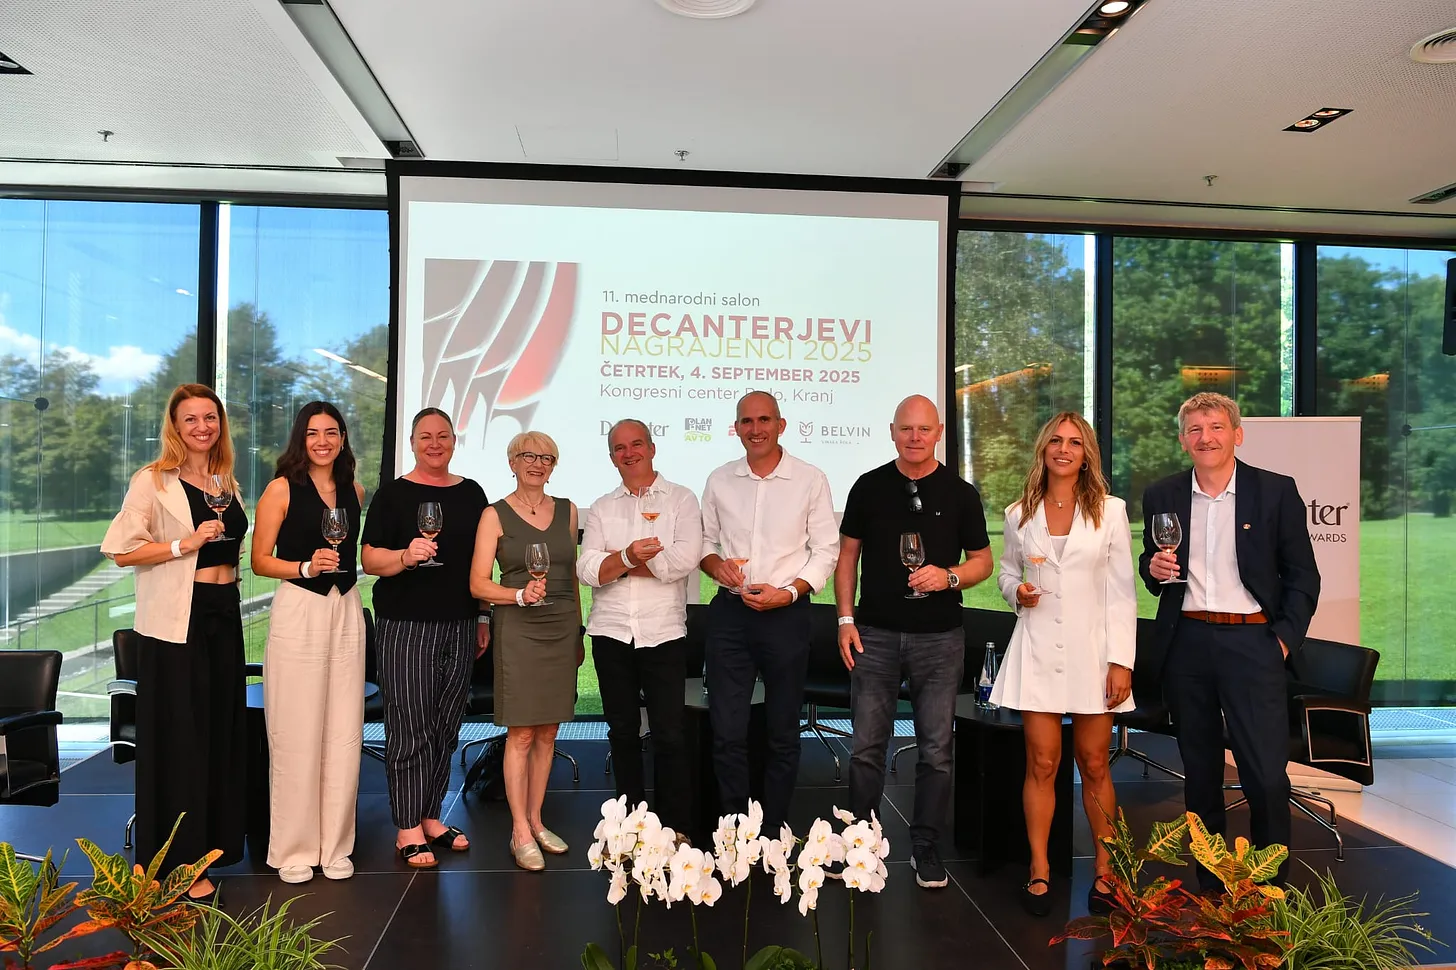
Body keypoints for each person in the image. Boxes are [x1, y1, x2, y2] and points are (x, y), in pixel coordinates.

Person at [1140, 392, 1319, 890]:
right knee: (1200, 775)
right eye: (1195, 429)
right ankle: (1212, 889)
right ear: (1183, 440)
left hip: (1253, 644)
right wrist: (1153, 569)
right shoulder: (1162, 495)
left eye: (1217, 427)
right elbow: (1153, 567)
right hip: (1187, 644)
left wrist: (1281, 642)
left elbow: (1303, 576)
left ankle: (1268, 890)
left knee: (1264, 775)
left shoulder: (1275, 491)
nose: (1207, 437)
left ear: (1237, 434)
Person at [835, 395, 993, 889]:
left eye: (924, 428)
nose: (915, 437)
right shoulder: (868, 486)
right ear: (892, 431)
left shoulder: (961, 493)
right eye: (907, 428)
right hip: (874, 636)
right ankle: (859, 845)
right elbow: (847, 558)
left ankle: (925, 846)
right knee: (866, 747)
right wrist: (845, 619)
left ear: (939, 432)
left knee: (937, 750)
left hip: (940, 639)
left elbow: (983, 562)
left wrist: (948, 577)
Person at [101, 383, 247, 902]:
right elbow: (121, 551)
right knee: (181, 742)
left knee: (219, 736)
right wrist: (185, 543)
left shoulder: (224, 480)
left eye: (210, 417)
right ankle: (173, 864)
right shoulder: (153, 480)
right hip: (176, 622)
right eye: (191, 419)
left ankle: (210, 850)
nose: (202, 427)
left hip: (223, 615)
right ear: (176, 426)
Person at [990, 411, 1136, 916]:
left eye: (1074, 442)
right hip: (1037, 648)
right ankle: (1039, 869)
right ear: (1043, 449)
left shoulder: (1110, 512)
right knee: (1042, 763)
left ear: (1086, 454)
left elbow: (1122, 593)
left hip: (1093, 653)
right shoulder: (1019, 513)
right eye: (1055, 440)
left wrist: (1121, 661)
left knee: (1094, 763)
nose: (1064, 449)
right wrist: (1017, 592)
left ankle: (1105, 872)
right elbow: (1006, 573)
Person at [700, 390, 838, 833]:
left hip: (787, 616)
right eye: (746, 421)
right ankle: (735, 831)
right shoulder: (720, 479)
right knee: (727, 731)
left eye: (764, 420)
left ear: (781, 425)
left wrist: (790, 592)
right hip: (731, 616)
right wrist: (716, 566)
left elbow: (826, 550)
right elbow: (705, 543)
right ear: (736, 428)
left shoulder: (810, 479)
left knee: (782, 731)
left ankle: (774, 829)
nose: (755, 429)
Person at [361, 408, 490, 870]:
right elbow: (370, 560)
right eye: (425, 436)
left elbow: (480, 563)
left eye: (443, 436)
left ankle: (431, 816)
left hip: (461, 622)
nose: (435, 443)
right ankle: (406, 828)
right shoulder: (392, 495)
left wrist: (483, 616)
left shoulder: (472, 494)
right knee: (409, 727)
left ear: (454, 440)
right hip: (406, 625)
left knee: (445, 726)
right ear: (412, 442)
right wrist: (405, 556)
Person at [250, 402, 367, 884]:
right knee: (296, 730)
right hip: (299, 606)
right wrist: (304, 566)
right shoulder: (280, 489)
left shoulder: (355, 489)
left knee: (344, 730)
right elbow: (259, 560)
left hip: (347, 608)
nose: (323, 441)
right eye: (314, 433)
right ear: (301, 438)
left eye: (332, 432)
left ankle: (335, 846)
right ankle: (294, 848)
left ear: (342, 438)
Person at [577, 419, 702, 835]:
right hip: (610, 633)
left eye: (636, 444)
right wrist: (631, 558)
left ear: (651, 448)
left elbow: (683, 561)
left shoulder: (682, 499)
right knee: (622, 732)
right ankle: (629, 826)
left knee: (670, 734)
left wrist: (621, 561)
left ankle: (675, 827)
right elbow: (588, 570)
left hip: (663, 632)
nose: (628, 453)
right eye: (619, 448)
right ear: (612, 457)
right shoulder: (602, 507)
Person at [469, 431, 583, 871]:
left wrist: (577, 633)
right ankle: (518, 830)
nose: (537, 463)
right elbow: (478, 583)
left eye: (546, 458)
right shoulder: (493, 514)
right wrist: (517, 595)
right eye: (528, 456)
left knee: (549, 731)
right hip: (518, 627)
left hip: (560, 626)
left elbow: (570, 579)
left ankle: (537, 820)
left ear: (554, 466)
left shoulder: (568, 511)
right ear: (512, 462)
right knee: (520, 733)